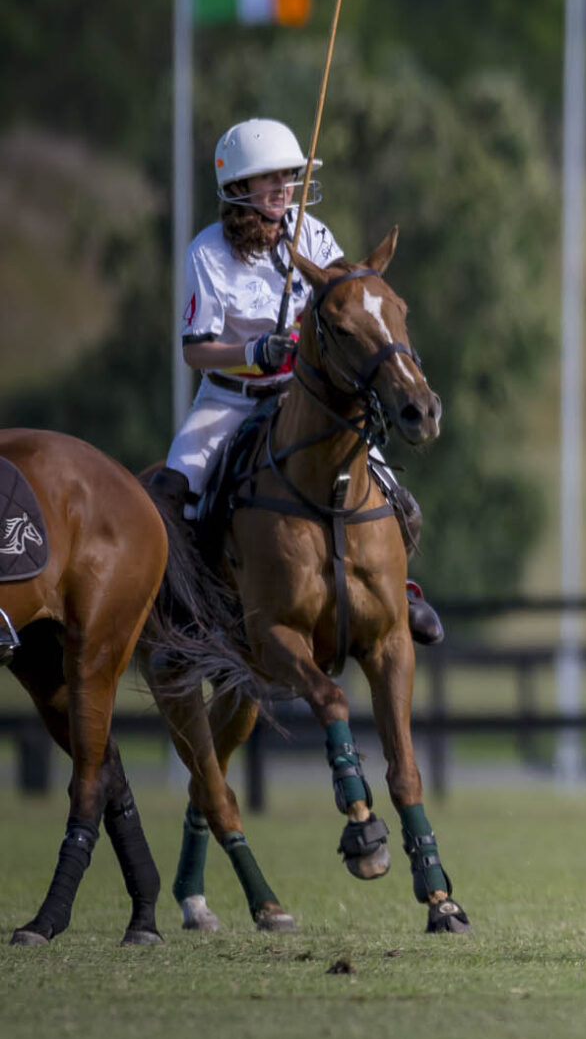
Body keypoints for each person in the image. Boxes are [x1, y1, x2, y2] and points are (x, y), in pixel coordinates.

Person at [143, 117, 444, 646]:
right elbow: (195, 350)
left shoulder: (313, 233)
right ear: (239, 186)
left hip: (302, 397)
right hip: (229, 399)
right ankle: (184, 614)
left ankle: (401, 591)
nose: (284, 187)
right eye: (270, 177)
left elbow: (346, 301)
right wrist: (253, 351)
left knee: (399, 501)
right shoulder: (208, 254)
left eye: (289, 175)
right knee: (172, 493)